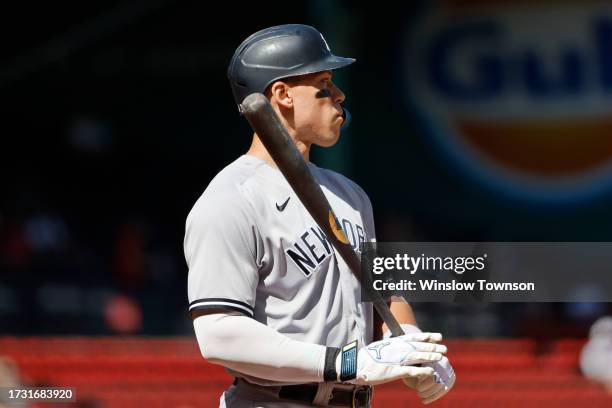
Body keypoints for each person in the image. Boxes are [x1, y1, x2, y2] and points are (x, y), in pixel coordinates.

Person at [184, 24, 455, 407]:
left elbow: (381, 295)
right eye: (324, 83)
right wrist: (346, 363)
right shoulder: (231, 199)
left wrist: (412, 346)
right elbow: (218, 334)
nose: (339, 95)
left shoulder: (350, 196)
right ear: (282, 94)